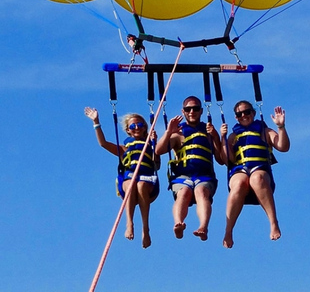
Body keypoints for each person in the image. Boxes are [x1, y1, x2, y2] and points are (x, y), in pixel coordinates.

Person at [84, 106, 160, 248]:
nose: (137, 127)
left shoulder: (151, 145)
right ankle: (129, 223)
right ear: (128, 130)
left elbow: (157, 165)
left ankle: (145, 229)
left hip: (148, 183)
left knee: (141, 184)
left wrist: (154, 146)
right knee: (132, 182)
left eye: (140, 125)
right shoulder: (124, 149)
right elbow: (103, 144)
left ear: (145, 128)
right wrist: (96, 122)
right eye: (133, 125)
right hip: (128, 182)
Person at [220, 102, 290, 247]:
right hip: (240, 170)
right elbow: (228, 160)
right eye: (240, 114)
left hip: (260, 169)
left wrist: (281, 127)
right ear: (236, 117)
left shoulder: (265, 131)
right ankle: (228, 231)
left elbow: (283, 147)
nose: (244, 115)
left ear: (253, 113)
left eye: (247, 112)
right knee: (239, 183)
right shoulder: (234, 136)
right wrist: (223, 139)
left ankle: (273, 222)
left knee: (256, 178)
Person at [156, 96, 225, 241]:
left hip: (204, 176)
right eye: (188, 109)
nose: (192, 111)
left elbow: (221, 160)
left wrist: (216, 136)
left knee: (201, 192)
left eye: (195, 109)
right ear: (183, 111)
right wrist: (169, 131)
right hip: (183, 177)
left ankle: (203, 227)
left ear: (201, 111)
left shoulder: (208, 131)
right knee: (184, 193)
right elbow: (159, 150)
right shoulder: (178, 133)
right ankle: (178, 224)